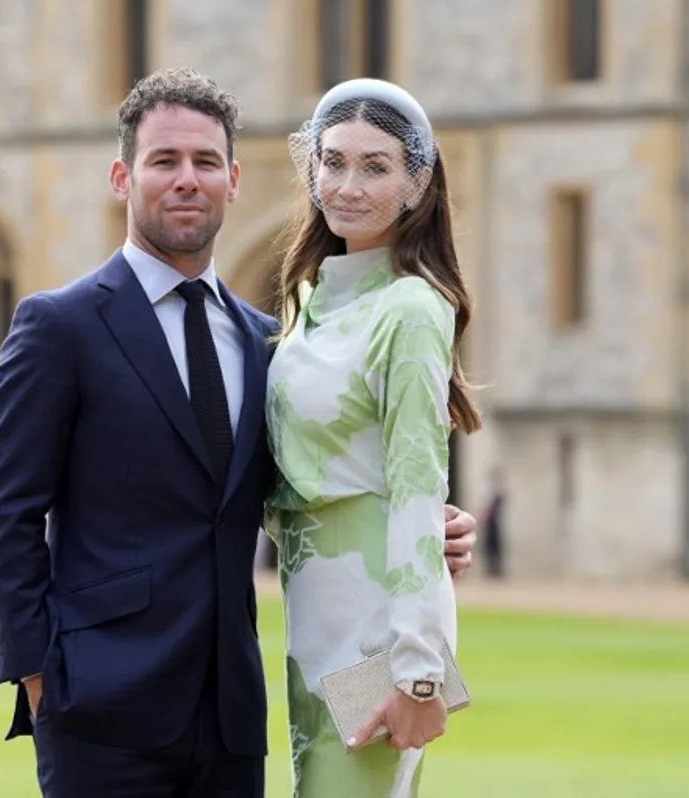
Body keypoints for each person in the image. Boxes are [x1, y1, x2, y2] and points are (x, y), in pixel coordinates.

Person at [0, 68, 478, 798]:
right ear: (122, 176)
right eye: (164, 161)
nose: (188, 180)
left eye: (206, 162)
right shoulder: (60, 327)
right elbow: (7, 514)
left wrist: (425, 523)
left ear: (235, 181)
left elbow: (309, 474)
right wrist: (36, 676)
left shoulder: (268, 344)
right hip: (101, 711)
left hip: (235, 715)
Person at [264, 78, 483, 796]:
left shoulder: (412, 309)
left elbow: (419, 485)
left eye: (376, 166)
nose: (347, 185)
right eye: (332, 162)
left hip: (376, 638)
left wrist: (419, 674)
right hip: (312, 628)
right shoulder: (309, 301)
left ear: (417, 184)